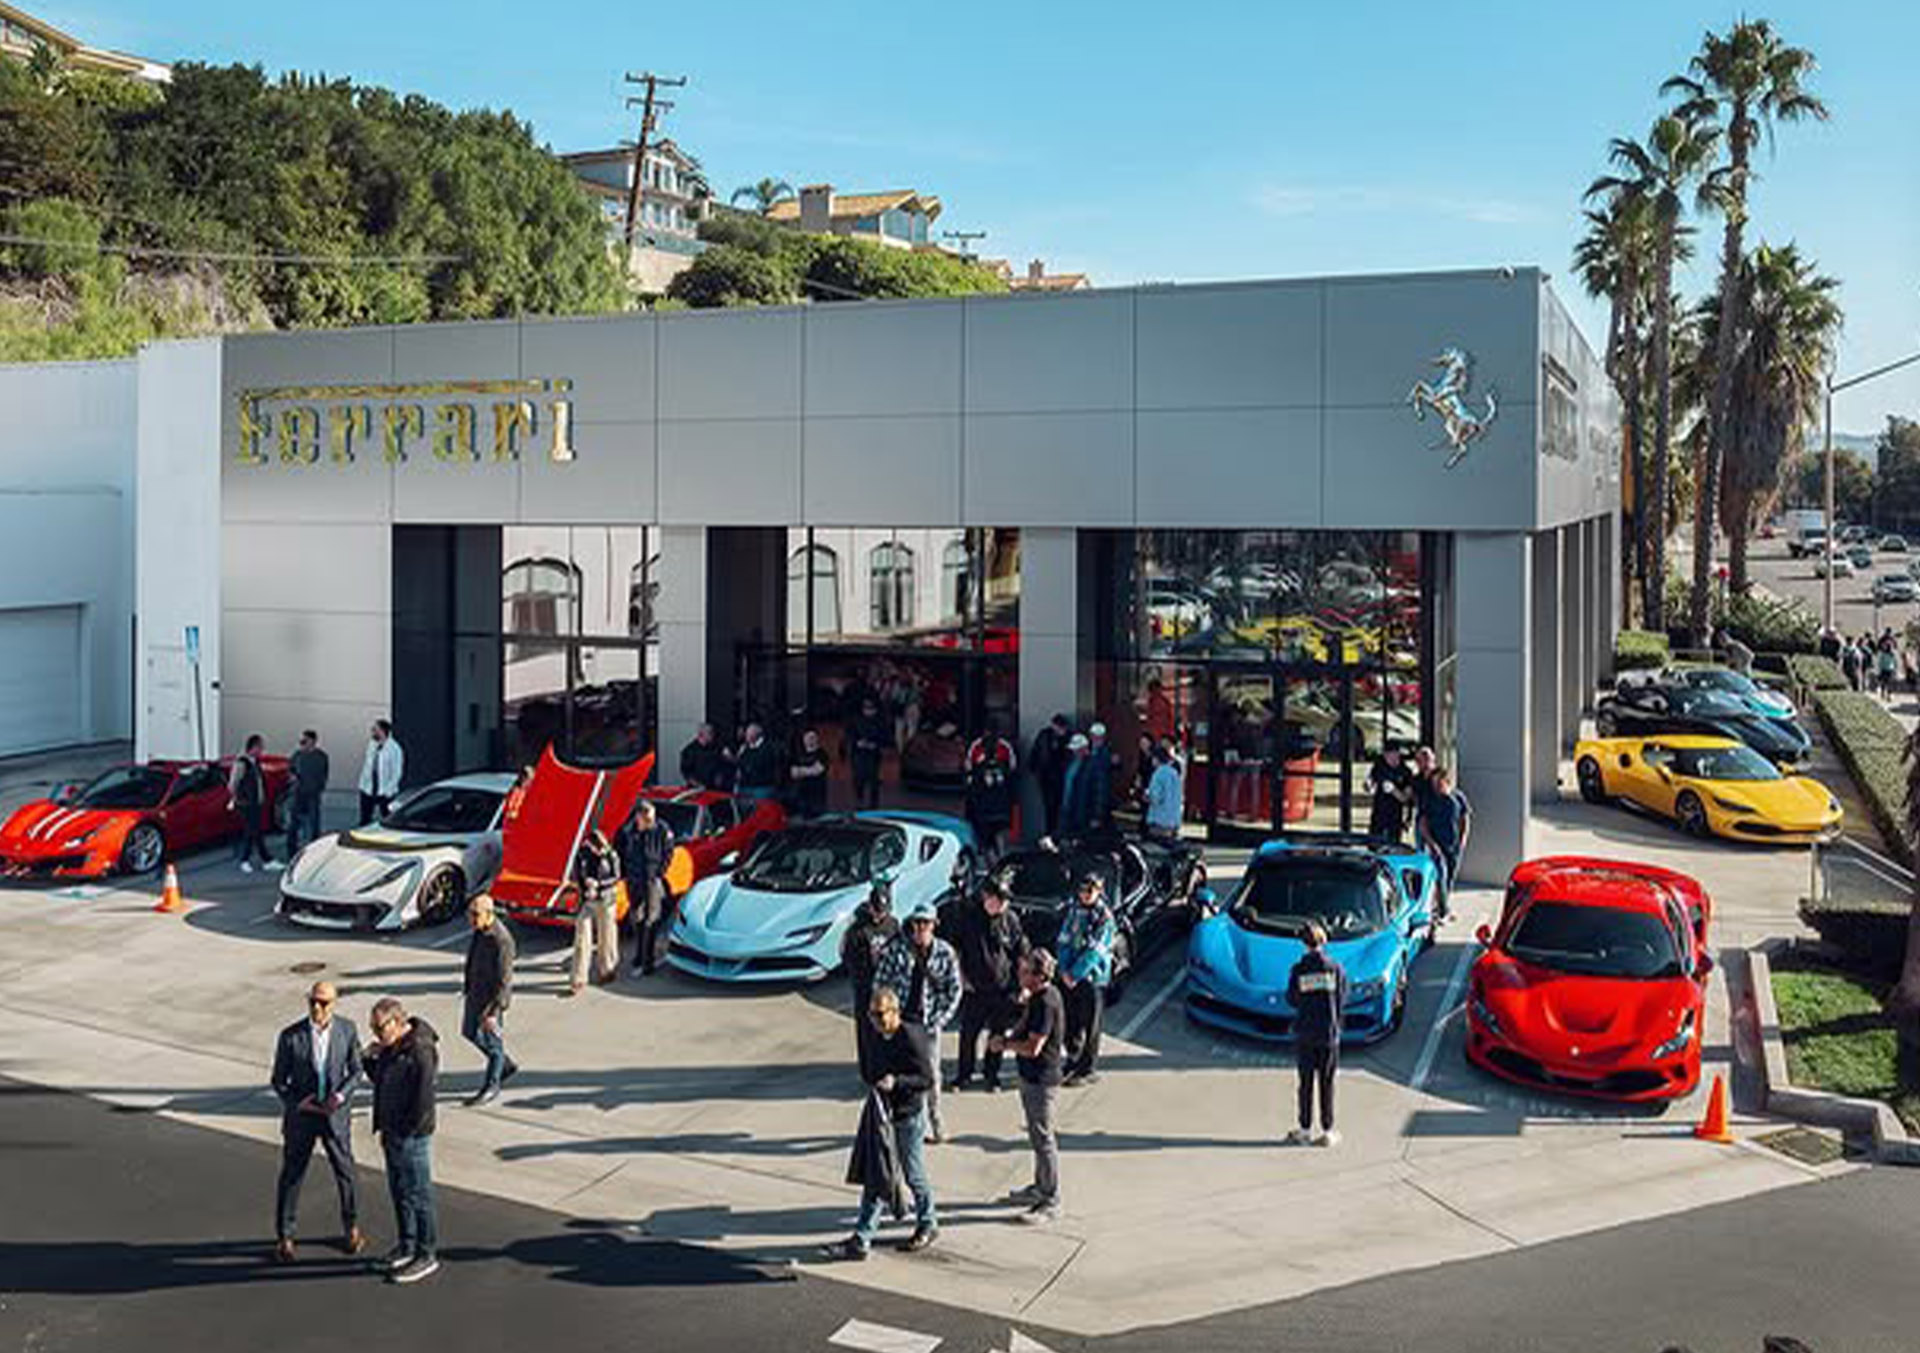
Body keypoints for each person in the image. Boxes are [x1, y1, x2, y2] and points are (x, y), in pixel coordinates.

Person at [822, 986, 938, 1260]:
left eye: (880, 1014)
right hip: (884, 1115)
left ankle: (928, 1221)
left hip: (908, 1116)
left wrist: (896, 1081)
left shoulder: (911, 1037)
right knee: (877, 1175)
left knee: (913, 1173)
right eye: (871, 1015)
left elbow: (927, 1079)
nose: (874, 1020)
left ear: (894, 1011)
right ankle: (862, 1238)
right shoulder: (876, 1035)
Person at [270, 981, 365, 1263]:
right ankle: (285, 1235)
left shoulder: (347, 1031)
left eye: (323, 1003)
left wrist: (339, 1096)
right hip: (303, 1117)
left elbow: (356, 1070)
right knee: (292, 1175)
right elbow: (278, 1080)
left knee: (346, 1173)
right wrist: (297, 1102)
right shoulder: (290, 1036)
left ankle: (351, 1228)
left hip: (334, 1116)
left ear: (334, 1004)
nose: (317, 1008)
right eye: (313, 1001)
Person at [364, 996, 440, 1284]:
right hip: (391, 1132)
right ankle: (406, 1244)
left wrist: (405, 1132)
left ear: (398, 1022)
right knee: (399, 1191)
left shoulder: (420, 1051)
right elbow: (381, 1080)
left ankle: (426, 1252)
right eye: (372, 1027)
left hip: (410, 1137)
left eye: (379, 1027)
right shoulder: (390, 1047)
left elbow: (423, 1103)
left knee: (419, 1195)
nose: (375, 1033)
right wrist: (370, 1058)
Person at [876, 902, 962, 1142]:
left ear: (934, 925)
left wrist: (939, 1020)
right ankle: (909, 1123)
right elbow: (880, 983)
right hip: (902, 1025)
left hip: (928, 1026)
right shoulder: (897, 951)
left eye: (926, 923)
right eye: (917, 923)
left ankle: (936, 1124)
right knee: (902, 1076)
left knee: (931, 1077)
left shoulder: (945, 953)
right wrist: (888, 1017)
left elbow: (954, 990)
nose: (921, 928)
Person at [991, 947, 1065, 1224]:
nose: (1019, 974)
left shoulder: (1046, 1002)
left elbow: (1034, 1048)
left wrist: (1005, 1044)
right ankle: (1040, 1187)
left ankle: (1051, 1199)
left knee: (1043, 1138)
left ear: (1037, 976)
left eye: (1024, 971)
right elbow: (1026, 1026)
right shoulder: (1038, 997)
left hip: (1042, 1078)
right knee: (1037, 1136)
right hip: (1031, 1076)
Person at [951, 877, 1029, 1093]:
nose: (1003, 904)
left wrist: (1023, 985)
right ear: (987, 897)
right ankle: (963, 1075)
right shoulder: (969, 917)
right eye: (999, 900)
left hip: (1002, 990)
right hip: (975, 988)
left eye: (1005, 901)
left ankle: (991, 1075)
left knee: (997, 1034)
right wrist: (962, 979)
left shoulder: (1010, 919)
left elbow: (1021, 953)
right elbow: (956, 950)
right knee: (968, 1034)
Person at [1284, 922, 1347, 1147]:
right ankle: (1328, 1130)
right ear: (1324, 941)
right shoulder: (1336, 968)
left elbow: (1291, 999)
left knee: (1306, 1082)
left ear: (1303, 943)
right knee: (1327, 1083)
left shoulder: (1299, 970)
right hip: (1329, 1034)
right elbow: (1342, 997)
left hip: (1305, 1033)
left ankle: (1304, 1129)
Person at [1055, 874, 1117, 1086]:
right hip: (1069, 976)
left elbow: (1095, 951)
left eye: (1090, 891)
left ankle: (1087, 1068)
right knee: (1070, 1021)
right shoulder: (1073, 911)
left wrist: (1075, 973)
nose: (1085, 895)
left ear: (1099, 892)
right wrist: (1063, 969)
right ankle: (1072, 1059)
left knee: (1090, 1024)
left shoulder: (1104, 918)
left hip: (1092, 979)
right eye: (1082, 891)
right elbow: (1063, 940)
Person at [460, 894, 517, 1106]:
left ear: (489, 914)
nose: (471, 919)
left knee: (493, 1045)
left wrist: (493, 1012)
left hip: (490, 1002)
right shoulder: (480, 931)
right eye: (470, 914)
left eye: (476, 915)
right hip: (475, 993)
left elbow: (504, 981)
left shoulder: (502, 941)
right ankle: (505, 1064)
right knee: (469, 1032)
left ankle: (492, 1085)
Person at [842, 882, 901, 1082]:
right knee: (868, 1032)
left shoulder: (893, 925)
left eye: (882, 911)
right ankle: (870, 1072)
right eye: (876, 911)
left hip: (888, 988)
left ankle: (890, 1068)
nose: (878, 916)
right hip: (866, 989)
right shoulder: (858, 931)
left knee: (890, 1030)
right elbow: (849, 960)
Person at [615, 798, 676, 975]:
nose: (651, 822)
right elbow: (619, 850)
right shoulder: (628, 832)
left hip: (651, 880)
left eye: (652, 819)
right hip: (634, 881)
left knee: (651, 920)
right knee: (638, 919)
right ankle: (640, 954)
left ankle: (647, 962)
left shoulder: (662, 829)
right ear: (638, 817)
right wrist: (625, 874)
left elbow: (668, 851)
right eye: (647, 819)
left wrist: (659, 873)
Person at [565, 830, 620, 996]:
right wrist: (584, 888)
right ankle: (578, 978)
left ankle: (607, 969)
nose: (598, 852)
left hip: (606, 900)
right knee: (582, 938)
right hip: (588, 900)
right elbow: (577, 874)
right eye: (595, 848)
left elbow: (616, 876)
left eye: (600, 849)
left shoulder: (611, 855)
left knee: (607, 936)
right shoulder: (582, 855)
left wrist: (599, 884)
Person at [1418, 766, 1471, 918]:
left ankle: (1442, 906)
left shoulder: (1458, 797)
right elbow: (1423, 823)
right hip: (1437, 845)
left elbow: (1465, 819)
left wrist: (1462, 840)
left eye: (1439, 783)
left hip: (1453, 845)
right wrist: (1431, 844)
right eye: (1434, 783)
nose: (1436, 786)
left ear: (1446, 781)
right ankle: (1442, 910)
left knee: (1450, 878)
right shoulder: (1430, 799)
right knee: (1441, 876)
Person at [963, 726, 1018, 857]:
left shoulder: (1004, 747)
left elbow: (1012, 768)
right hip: (988, 801)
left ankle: (996, 854)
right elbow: (968, 768)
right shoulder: (976, 746)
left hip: (996, 800)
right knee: (988, 831)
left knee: (996, 831)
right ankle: (990, 852)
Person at [228, 733, 277, 873]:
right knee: (251, 831)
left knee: (256, 831)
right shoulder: (242, 763)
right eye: (260, 747)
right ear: (253, 747)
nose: (262, 750)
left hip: (255, 802)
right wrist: (236, 798)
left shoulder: (255, 763)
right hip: (246, 803)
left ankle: (265, 859)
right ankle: (246, 860)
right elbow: (233, 783)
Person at [285, 729, 329, 859]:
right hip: (298, 794)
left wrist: (319, 788)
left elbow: (324, 774)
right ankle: (291, 852)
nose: (303, 742)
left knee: (313, 824)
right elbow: (290, 770)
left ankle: (314, 852)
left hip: (312, 795)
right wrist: (293, 779)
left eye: (305, 740)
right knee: (293, 825)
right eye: (302, 740)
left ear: (313, 741)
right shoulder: (297, 755)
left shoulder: (321, 757)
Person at [1029, 713, 1072, 838]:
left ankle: (1056, 834)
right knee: (1049, 807)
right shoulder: (1045, 736)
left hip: (1060, 778)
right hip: (1046, 778)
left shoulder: (1066, 739)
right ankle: (1050, 833)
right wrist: (1035, 770)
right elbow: (1036, 754)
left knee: (1059, 808)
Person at [357, 719, 404, 825]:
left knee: (388, 818)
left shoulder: (394, 748)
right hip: (368, 788)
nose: (373, 732)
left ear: (382, 731)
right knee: (365, 819)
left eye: (375, 729)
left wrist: (389, 790)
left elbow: (397, 772)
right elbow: (368, 765)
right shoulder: (372, 745)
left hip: (385, 790)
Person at [1365, 745, 1414, 842]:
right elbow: (1371, 781)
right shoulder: (1380, 767)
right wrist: (1368, 785)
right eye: (1387, 756)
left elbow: (1406, 798)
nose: (1391, 758)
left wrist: (1393, 790)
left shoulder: (1405, 772)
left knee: (1393, 843)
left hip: (1395, 815)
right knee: (1374, 842)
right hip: (1379, 813)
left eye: (1393, 755)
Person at [848, 698, 890, 810]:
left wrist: (875, 744)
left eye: (871, 709)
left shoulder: (880, 722)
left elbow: (885, 737)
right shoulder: (856, 720)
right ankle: (860, 798)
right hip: (859, 753)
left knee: (873, 778)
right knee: (859, 777)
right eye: (866, 708)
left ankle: (873, 804)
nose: (868, 711)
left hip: (873, 754)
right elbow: (850, 735)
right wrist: (857, 743)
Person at [1143, 742, 1183, 841]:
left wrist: (1146, 796)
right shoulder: (1174, 773)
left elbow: (1156, 798)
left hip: (1160, 818)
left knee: (1158, 844)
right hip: (1174, 817)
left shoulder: (1158, 774)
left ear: (1156, 759)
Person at [789, 728, 830, 817]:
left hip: (817, 795)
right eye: (807, 737)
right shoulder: (798, 754)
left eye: (812, 737)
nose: (809, 740)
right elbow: (793, 773)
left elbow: (818, 771)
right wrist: (809, 769)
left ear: (817, 738)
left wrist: (802, 770)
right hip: (801, 794)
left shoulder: (822, 754)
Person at [734, 723, 781, 802]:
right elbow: (741, 764)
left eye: (749, 732)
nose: (746, 735)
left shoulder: (768, 747)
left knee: (761, 811)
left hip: (762, 787)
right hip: (745, 787)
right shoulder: (745, 748)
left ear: (756, 733)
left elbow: (758, 764)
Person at [680, 722, 732, 791]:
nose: (713, 735)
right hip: (697, 790)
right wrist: (696, 784)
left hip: (715, 789)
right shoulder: (689, 751)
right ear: (701, 735)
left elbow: (726, 764)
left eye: (713, 733)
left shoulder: (716, 748)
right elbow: (686, 772)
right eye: (710, 733)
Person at [1060, 733, 1093, 836]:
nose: (1074, 752)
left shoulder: (1092, 766)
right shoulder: (1071, 763)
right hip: (1068, 804)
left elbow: (1098, 789)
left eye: (1077, 750)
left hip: (1081, 807)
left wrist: (1096, 814)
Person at [1086, 723, 1116, 831]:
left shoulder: (1105, 754)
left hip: (1098, 798)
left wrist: (1098, 814)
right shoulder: (1088, 751)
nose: (1095, 739)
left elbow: (1102, 785)